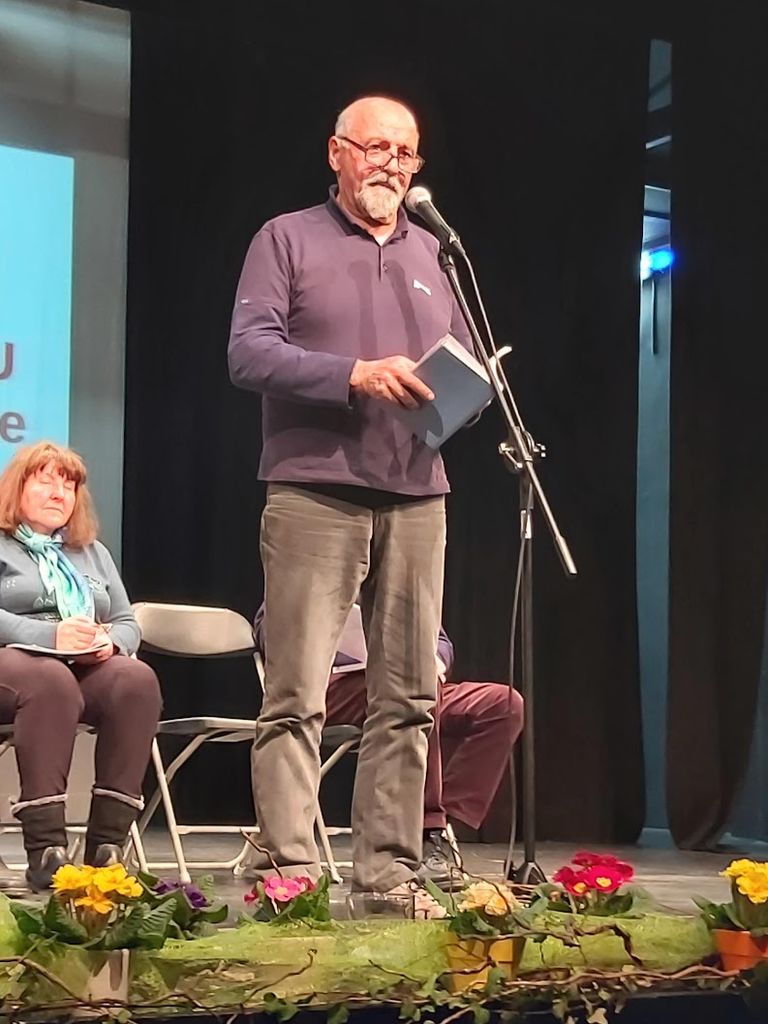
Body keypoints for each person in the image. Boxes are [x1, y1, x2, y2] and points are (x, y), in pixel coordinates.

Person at [228, 95, 472, 903]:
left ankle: (388, 873)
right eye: (375, 148)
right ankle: (289, 875)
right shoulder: (286, 238)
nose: (390, 166)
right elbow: (248, 353)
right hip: (314, 491)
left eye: (405, 153)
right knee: (296, 695)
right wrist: (354, 374)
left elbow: (468, 362)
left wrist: (465, 394)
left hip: (418, 492)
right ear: (337, 152)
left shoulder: (436, 253)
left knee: (409, 697)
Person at [254, 605, 525, 885]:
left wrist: (435, 661)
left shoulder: (399, 586)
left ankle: (440, 828)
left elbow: (440, 640)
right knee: (416, 688)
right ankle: (426, 829)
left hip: (411, 687)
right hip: (335, 689)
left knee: (503, 704)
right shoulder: (314, 581)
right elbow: (268, 630)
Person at [0, 441, 161, 891]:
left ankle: (107, 847)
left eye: (68, 486)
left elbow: (127, 621)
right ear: (17, 487)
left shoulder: (91, 552)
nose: (59, 493)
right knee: (50, 680)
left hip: (79, 668)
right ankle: (46, 849)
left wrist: (111, 642)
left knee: (135, 680)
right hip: (14, 664)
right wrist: (48, 637)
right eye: (46, 481)